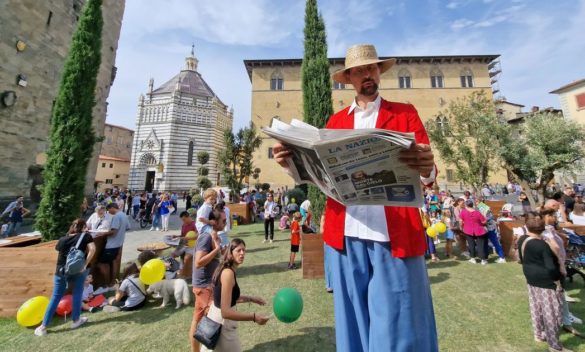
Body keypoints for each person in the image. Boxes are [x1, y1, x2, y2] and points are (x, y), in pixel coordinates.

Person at [273, 44, 438, 351]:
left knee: (398, 328)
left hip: (395, 235)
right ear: (349, 78)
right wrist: (289, 164)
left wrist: (428, 170)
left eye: (373, 68)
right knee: (353, 322)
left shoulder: (404, 113)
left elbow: (428, 174)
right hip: (346, 236)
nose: (368, 75)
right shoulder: (335, 123)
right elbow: (320, 177)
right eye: (361, 70)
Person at [200, 238, 269, 352]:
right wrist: (254, 317)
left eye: (244, 250)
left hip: (215, 320)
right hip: (223, 326)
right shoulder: (228, 273)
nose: (242, 253)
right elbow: (226, 312)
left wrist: (251, 299)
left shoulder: (224, 268)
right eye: (238, 250)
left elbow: (228, 298)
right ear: (230, 253)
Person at [518, 213, 572, 352]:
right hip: (547, 282)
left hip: (531, 279)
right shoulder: (542, 245)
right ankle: (554, 345)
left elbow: (521, 258)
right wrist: (558, 277)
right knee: (552, 314)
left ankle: (538, 334)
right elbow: (551, 267)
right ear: (543, 229)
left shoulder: (523, 239)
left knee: (536, 308)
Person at [34, 219, 96, 336]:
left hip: (61, 271)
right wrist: (85, 264)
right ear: (83, 227)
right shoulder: (86, 236)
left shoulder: (62, 239)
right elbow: (92, 249)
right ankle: (76, 320)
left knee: (55, 297)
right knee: (77, 293)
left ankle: (43, 327)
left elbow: (58, 248)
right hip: (78, 270)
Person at [190, 207, 223, 352]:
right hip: (204, 286)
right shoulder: (206, 236)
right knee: (217, 320)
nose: (226, 221)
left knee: (197, 321)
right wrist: (217, 249)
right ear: (214, 222)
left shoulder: (213, 235)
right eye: (223, 220)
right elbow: (199, 261)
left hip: (205, 285)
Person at [95, 203, 130, 288]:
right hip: (119, 243)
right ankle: (113, 281)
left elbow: (114, 232)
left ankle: (107, 284)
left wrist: (102, 234)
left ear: (113, 208)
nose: (108, 212)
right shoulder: (124, 215)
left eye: (108, 210)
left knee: (101, 264)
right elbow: (128, 227)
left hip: (111, 245)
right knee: (114, 262)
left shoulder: (116, 216)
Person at [477, 197, 506, 263]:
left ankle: (502, 257)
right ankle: (486, 257)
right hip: (486, 227)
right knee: (485, 242)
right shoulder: (482, 207)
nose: (475, 203)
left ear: (480, 201)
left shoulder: (484, 208)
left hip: (489, 228)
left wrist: (481, 222)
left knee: (495, 242)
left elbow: (487, 218)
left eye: (476, 201)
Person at [460, 199, 489, 265]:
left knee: (471, 245)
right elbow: (484, 221)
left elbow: (460, 221)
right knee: (480, 245)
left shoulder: (463, 212)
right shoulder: (477, 212)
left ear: (466, 205)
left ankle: (473, 258)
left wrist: (461, 227)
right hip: (479, 230)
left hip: (468, 230)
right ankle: (483, 260)